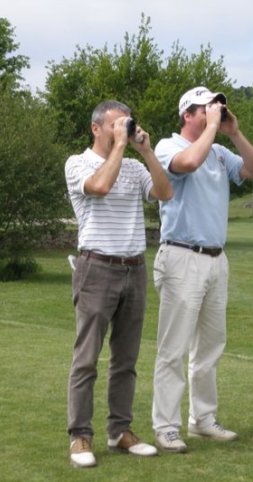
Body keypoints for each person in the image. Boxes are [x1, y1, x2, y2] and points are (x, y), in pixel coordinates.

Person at [151, 86, 253, 453]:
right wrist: (214, 129)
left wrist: (233, 132)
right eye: (206, 108)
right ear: (187, 114)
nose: (214, 111)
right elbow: (186, 165)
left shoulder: (218, 150)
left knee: (211, 347)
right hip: (182, 255)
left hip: (217, 258)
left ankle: (202, 419)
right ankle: (166, 426)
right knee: (174, 348)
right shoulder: (168, 147)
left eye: (216, 107)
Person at [64, 100, 173, 468]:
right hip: (97, 268)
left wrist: (145, 150)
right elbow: (98, 187)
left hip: (134, 268)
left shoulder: (133, 165)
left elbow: (164, 192)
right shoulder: (77, 163)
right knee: (87, 360)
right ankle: (80, 436)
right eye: (115, 125)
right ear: (97, 128)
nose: (121, 130)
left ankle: (120, 431)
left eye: (124, 124)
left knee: (126, 360)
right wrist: (123, 146)